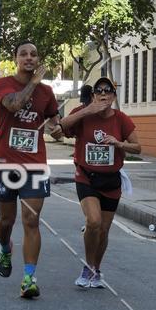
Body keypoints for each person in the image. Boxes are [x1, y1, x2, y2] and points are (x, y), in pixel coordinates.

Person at [0, 41, 63, 299]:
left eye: (34, 54)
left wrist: (56, 129)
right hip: (6, 163)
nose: (29, 58)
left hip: (34, 164)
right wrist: (34, 83)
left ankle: (29, 278)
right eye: (24, 54)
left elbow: (55, 124)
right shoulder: (3, 84)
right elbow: (14, 105)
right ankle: (4, 247)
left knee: (31, 221)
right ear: (16, 59)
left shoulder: (47, 92)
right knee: (6, 222)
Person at [61, 76, 141, 289]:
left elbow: (138, 147)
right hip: (86, 176)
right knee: (94, 222)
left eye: (108, 91)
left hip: (111, 180)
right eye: (99, 91)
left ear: (114, 96)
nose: (104, 94)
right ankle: (87, 266)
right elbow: (62, 128)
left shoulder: (121, 119)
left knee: (103, 230)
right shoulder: (82, 114)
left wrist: (118, 143)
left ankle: (96, 269)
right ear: (94, 95)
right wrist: (87, 110)